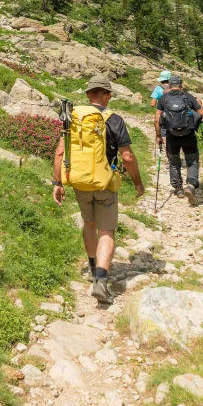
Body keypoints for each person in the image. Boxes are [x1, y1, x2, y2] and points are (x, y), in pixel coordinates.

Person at [53, 75, 145, 304]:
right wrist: (137, 182)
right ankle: (101, 281)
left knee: (89, 224)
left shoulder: (73, 118)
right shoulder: (113, 119)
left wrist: (57, 183)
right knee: (107, 231)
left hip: (79, 182)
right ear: (107, 95)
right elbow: (127, 156)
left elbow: (59, 153)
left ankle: (93, 267)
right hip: (104, 184)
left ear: (87, 95)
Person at [154, 76, 203, 206]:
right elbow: (202, 114)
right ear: (181, 85)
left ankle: (178, 189)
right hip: (189, 135)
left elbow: (157, 118)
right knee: (192, 161)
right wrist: (200, 105)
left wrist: (159, 136)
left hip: (171, 135)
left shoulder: (163, 98)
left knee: (174, 162)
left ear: (169, 85)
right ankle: (191, 185)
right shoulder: (188, 96)